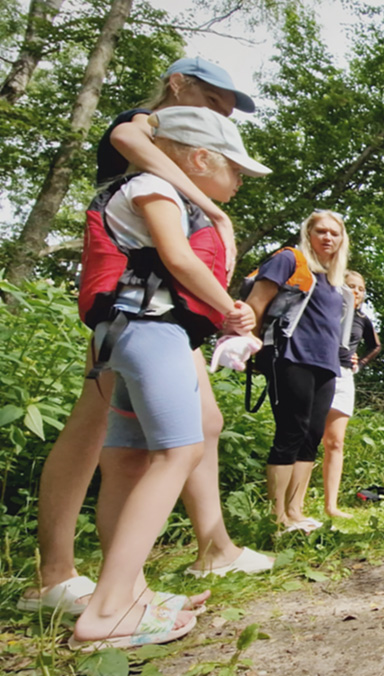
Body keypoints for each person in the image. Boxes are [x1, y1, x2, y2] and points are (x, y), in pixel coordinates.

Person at [20, 58, 270, 618]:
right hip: (143, 320)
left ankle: (140, 580)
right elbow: (174, 249)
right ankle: (92, 595)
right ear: (177, 89)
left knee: (144, 449)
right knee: (161, 446)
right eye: (210, 105)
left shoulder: (169, 173)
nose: (219, 116)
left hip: (149, 325)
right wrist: (227, 301)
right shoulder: (146, 141)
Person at [70, 106, 268, 649]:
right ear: (201, 157)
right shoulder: (154, 188)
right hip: (150, 330)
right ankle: (107, 612)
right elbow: (178, 258)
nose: (238, 182)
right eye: (235, 170)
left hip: (126, 336)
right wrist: (230, 307)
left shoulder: (148, 187)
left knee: (133, 459)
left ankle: (129, 594)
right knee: (178, 453)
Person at [246, 210, 353, 533]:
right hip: (290, 356)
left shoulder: (336, 282)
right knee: (290, 433)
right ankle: (277, 515)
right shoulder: (290, 260)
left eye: (334, 233)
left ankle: (295, 510)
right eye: (321, 231)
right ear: (308, 234)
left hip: (325, 365)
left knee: (311, 437)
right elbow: (257, 300)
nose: (328, 238)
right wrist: (248, 344)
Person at [320, 271, 381, 519]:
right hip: (320, 371)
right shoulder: (326, 310)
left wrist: (361, 363)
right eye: (351, 286)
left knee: (335, 442)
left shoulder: (362, 319)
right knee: (308, 437)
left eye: (360, 288)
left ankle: (331, 506)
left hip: (345, 377)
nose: (356, 291)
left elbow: (376, 345)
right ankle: (292, 506)